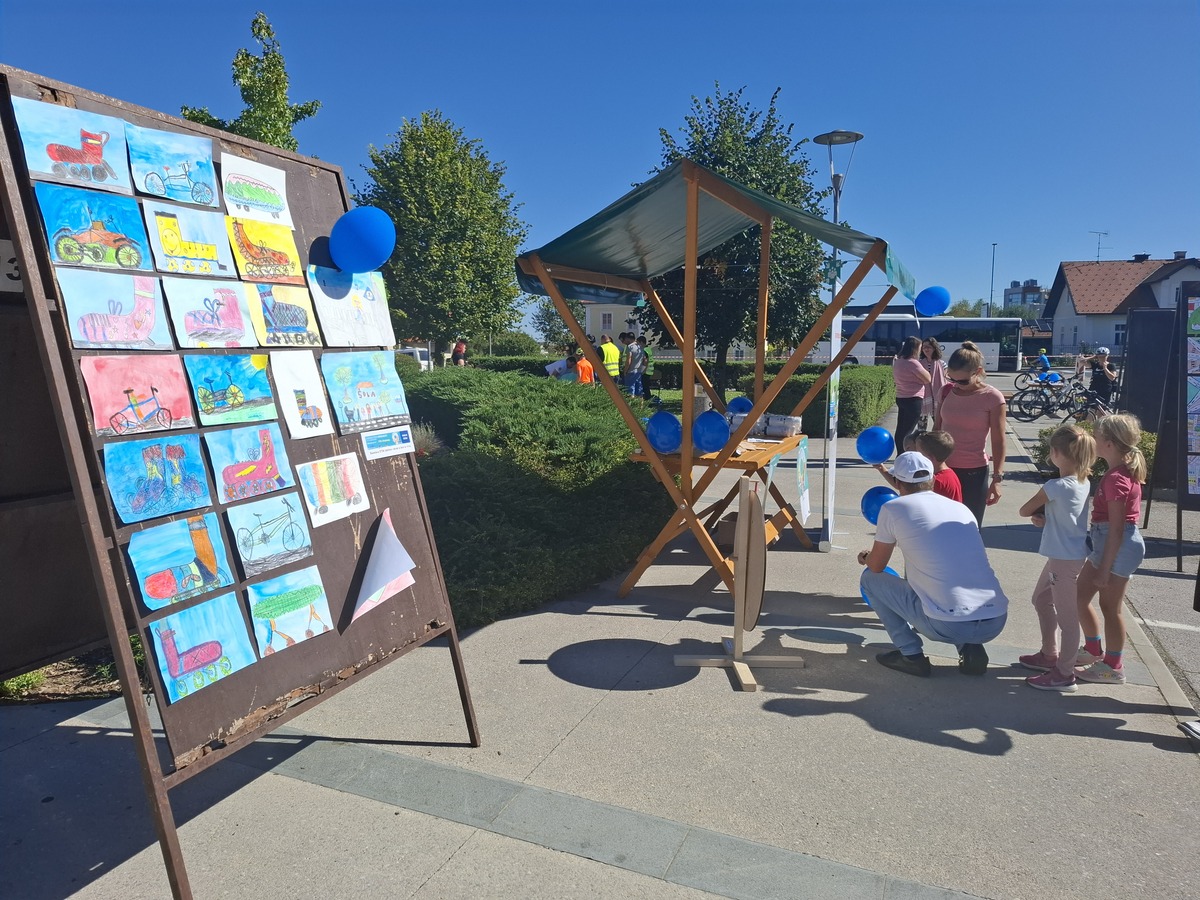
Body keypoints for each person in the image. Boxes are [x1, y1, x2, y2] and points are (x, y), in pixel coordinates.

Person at [858, 451, 1009, 677]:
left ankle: (911, 656)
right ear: (932, 479)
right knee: (946, 579)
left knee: (870, 579)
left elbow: (877, 566)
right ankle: (971, 650)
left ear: (897, 482)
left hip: (947, 625)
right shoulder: (961, 508)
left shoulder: (893, 508)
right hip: (995, 619)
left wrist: (866, 557)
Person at [1017, 425, 1096, 692]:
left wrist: (1039, 513)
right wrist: (1048, 517)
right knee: (1041, 600)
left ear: (1056, 453)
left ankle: (1064, 673)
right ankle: (1049, 654)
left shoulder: (1056, 486)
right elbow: (1067, 516)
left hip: (1063, 560)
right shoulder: (1083, 482)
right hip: (1066, 556)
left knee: (1068, 619)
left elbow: (1024, 510)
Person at [1074, 414, 1148, 685]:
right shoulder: (1119, 472)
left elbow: (1117, 529)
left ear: (1108, 443)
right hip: (1109, 542)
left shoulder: (1116, 478)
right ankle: (1094, 649)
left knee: (1110, 607)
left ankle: (1113, 667)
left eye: (1095, 435)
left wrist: (1104, 569)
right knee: (1079, 596)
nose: (1092, 440)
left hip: (1117, 544)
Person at [934, 341, 1006, 526]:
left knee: (969, 528)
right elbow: (937, 430)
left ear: (978, 372)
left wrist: (997, 479)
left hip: (974, 473)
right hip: (943, 470)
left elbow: (998, 440)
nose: (957, 385)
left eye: (963, 381)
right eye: (952, 379)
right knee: (939, 528)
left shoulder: (992, 397)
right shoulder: (946, 391)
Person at [891, 336, 931, 452]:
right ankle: (905, 452)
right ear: (915, 348)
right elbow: (928, 378)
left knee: (900, 429)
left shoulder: (898, 361)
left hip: (901, 397)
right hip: (914, 399)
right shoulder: (913, 363)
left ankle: (900, 452)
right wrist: (919, 380)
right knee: (908, 430)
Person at [919, 338, 947, 430]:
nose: (926, 349)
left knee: (939, 426)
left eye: (929, 347)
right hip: (923, 398)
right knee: (921, 428)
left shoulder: (942, 364)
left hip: (937, 398)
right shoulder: (919, 364)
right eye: (924, 347)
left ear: (934, 348)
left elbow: (946, 379)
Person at [637, 336, 656, 400]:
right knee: (646, 387)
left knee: (645, 387)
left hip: (645, 371)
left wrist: (643, 371)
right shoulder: (648, 349)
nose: (637, 345)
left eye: (638, 343)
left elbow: (645, 361)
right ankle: (648, 399)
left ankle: (648, 400)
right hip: (649, 371)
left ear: (641, 342)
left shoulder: (644, 350)